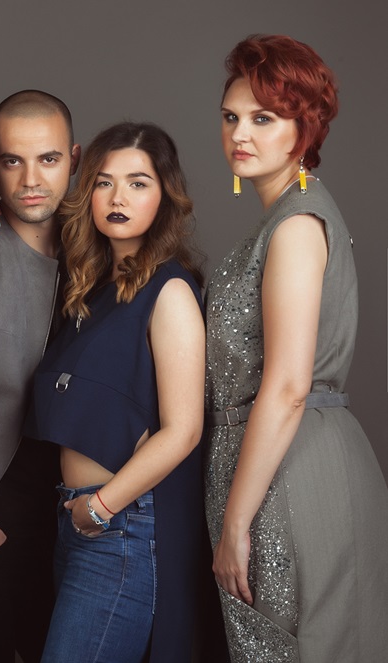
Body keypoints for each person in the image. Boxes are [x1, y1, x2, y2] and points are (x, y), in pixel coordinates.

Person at [205, 34, 388, 662]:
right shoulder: (288, 215)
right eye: (230, 117)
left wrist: (235, 522)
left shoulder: (298, 224)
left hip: (288, 468)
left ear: (304, 128)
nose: (240, 134)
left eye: (263, 118)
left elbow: (286, 387)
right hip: (274, 462)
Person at [27, 122, 206, 662]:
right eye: (103, 183)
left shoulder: (170, 291)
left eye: (138, 183)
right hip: (78, 517)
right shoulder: (92, 289)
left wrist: (102, 508)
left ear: (165, 196)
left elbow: (184, 429)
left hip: (121, 523)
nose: (118, 198)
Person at [0, 89, 79, 662]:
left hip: (81, 510)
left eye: (48, 159)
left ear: (74, 158)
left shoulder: (97, 247)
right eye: (12, 161)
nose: (30, 180)